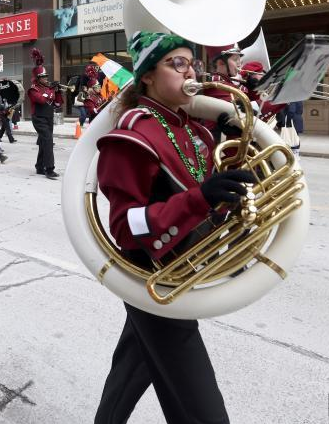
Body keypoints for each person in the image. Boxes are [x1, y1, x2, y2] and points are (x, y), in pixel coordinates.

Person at [94, 30, 253, 424]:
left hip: (180, 272)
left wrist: (235, 153)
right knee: (205, 412)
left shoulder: (194, 130)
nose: (190, 72)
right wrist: (200, 199)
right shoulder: (133, 134)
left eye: (191, 64)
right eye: (176, 64)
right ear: (147, 75)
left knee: (133, 365)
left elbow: (209, 194)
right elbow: (125, 227)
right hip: (154, 278)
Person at [28, 47, 64, 179]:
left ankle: (39, 166)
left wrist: (58, 92)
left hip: (49, 118)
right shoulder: (33, 90)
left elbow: (58, 104)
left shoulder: (49, 89)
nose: (46, 78)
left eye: (46, 76)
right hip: (38, 118)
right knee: (48, 141)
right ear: (37, 78)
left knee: (44, 142)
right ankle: (49, 169)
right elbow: (42, 100)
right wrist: (51, 91)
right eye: (43, 77)